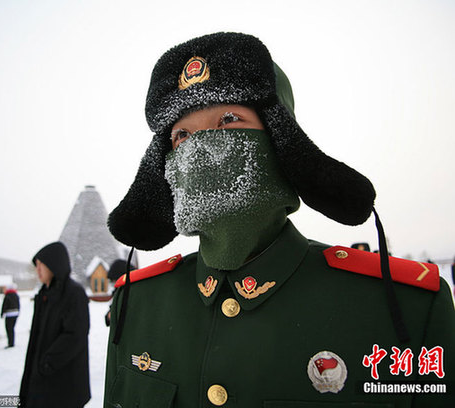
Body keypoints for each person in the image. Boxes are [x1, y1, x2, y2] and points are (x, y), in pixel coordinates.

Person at [104, 33, 455, 407]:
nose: (200, 149)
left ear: (283, 144)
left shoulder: (404, 308)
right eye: (182, 135)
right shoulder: (136, 305)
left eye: (229, 119)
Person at [19, 242, 91, 408]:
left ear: (54, 264)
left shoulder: (74, 293)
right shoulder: (44, 294)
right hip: (43, 376)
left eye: (40, 265)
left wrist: (48, 362)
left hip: (64, 380)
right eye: (36, 266)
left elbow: (76, 334)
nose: (37, 270)